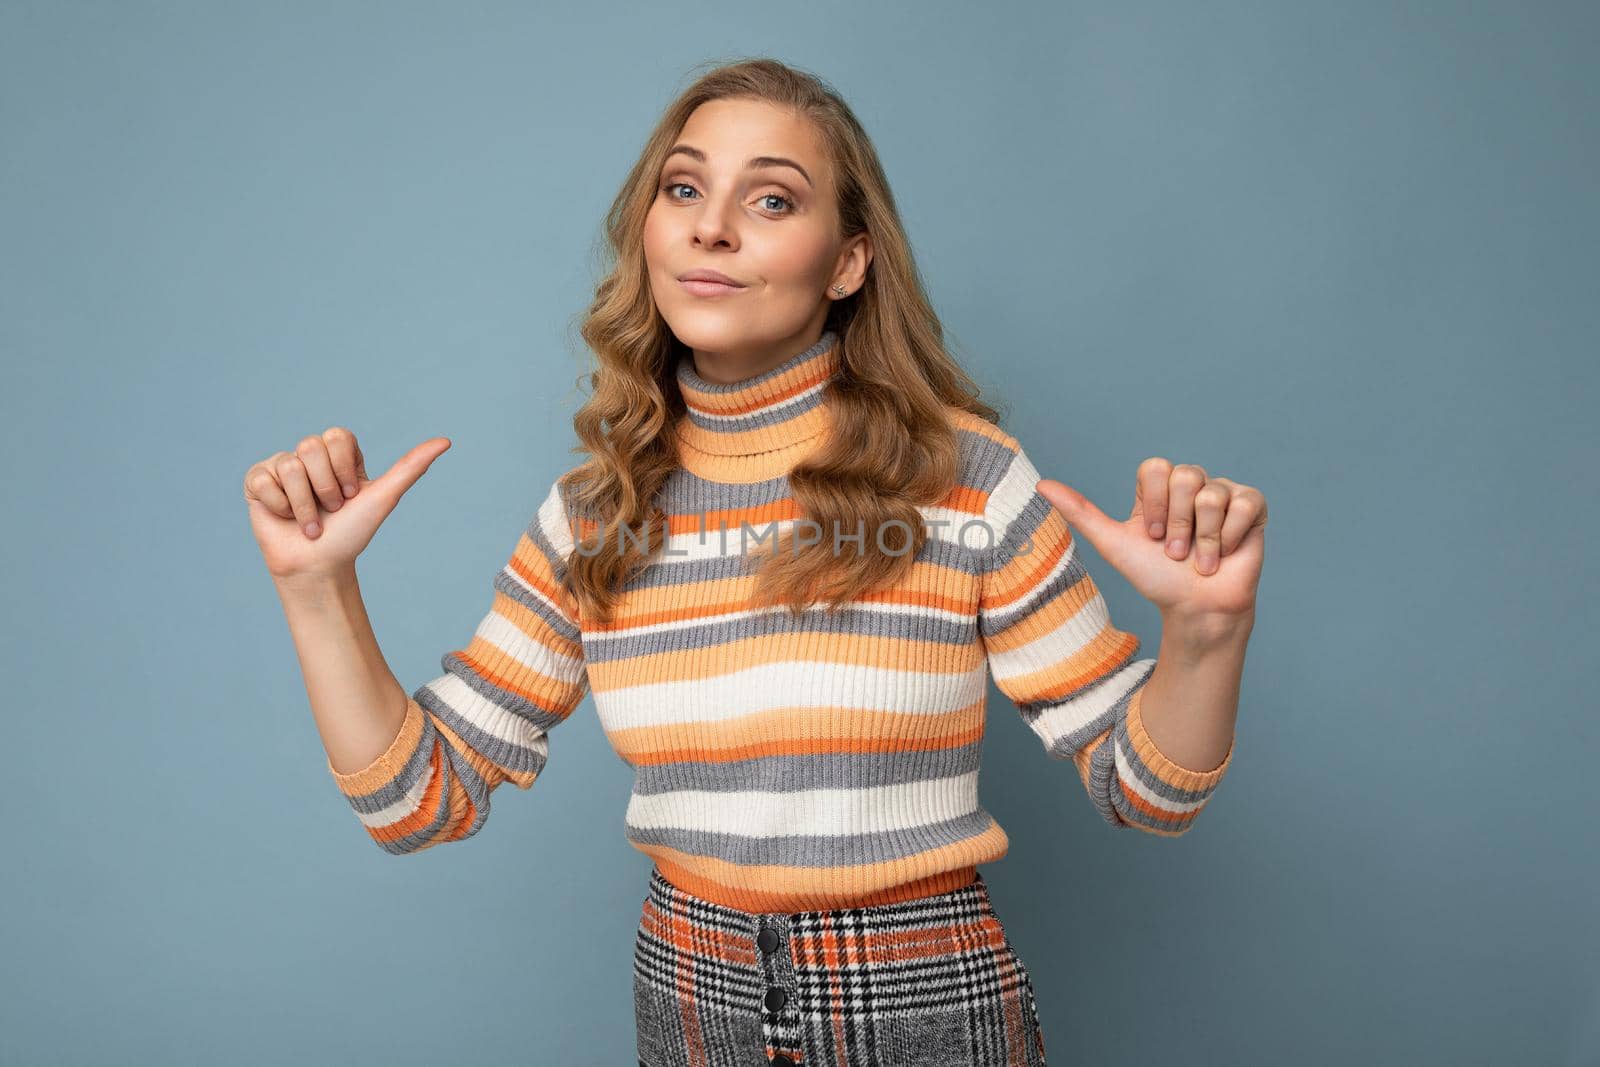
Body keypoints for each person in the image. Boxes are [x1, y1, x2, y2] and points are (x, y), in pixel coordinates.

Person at [243, 57, 1267, 1067]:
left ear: (849, 262)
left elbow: (1149, 791)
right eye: (682, 187)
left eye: (771, 198)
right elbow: (418, 797)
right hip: (689, 1002)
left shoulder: (961, 479)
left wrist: (1206, 636)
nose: (709, 224)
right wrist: (316, 588)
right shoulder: (595, 516)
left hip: (923, 1002)